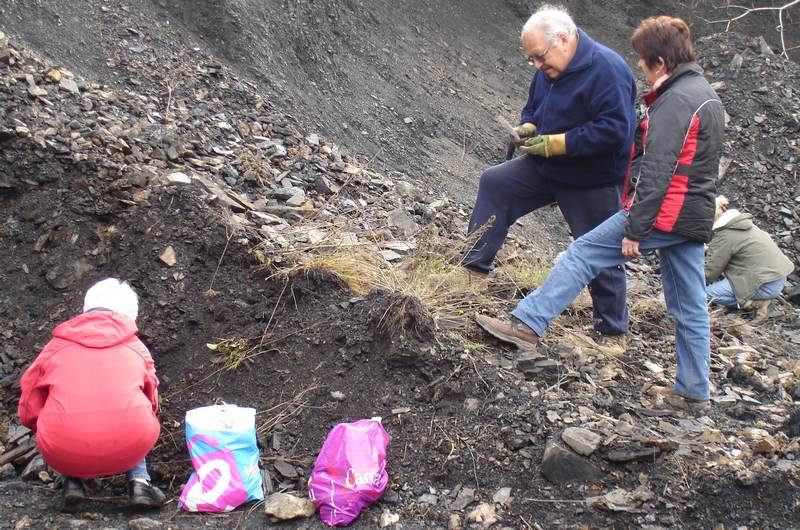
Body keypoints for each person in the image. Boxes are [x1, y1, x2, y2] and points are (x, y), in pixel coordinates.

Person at [475, 16, 725, 409]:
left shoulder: (674, 101)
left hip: (663, 211)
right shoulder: (705, 94)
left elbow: (658, 171)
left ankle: (527, 323)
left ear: (658, 61)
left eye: (643, 61)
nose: (639, 68)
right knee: (689, 304)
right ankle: (693, 391)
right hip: (692, 216)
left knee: (584, 252)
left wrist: (636, 229)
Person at [462, 4, 637, 354]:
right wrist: (528, 126)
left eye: (540, 57)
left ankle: (613, 331)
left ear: (565, 39)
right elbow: (535, 107)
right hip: (545, 167)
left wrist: (560, 143)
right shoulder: (547, 67)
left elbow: (617, 131)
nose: (538, 66)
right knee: (496, 182)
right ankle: (474, 272)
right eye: (532, 60)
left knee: (598, 247)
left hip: (592, 177)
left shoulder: (607, 69)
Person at [18, 278, 166, 508]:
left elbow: (30, 401)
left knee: (64, 414)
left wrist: (41, 427)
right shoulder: (137, 349)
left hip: (64, 448)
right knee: (137, 414)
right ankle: (139, 482)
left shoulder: (55, 347)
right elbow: (152, 401)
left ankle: (72, 481)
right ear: (129, 315)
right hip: (132, 443)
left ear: (86, 308)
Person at [706, 196, 794, 320]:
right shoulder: (744, 225)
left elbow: (709, 273)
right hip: (778, 279)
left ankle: (753, 303)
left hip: (764, 285)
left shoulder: (724, 236)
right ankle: (755, 300)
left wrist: (686, 284)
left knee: (703, 294)